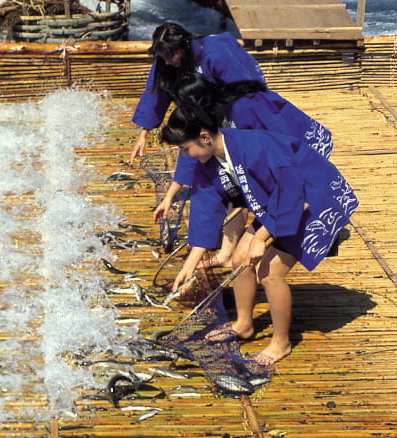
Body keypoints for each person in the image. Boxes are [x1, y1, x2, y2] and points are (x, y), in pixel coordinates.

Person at [161, 104, 358, 366]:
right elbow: (206, 207)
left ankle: (281, 342)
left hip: (313, 198)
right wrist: (190, 264)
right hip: (275, 204)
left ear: (205, 137)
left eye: (186, 149)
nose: (186, 156)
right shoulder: (211, 160)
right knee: (239, 258)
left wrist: (260, 237)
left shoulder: (255, 146)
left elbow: (294, 195)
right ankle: (244, 324)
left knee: (269, 271)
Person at [153, 73, 335, 269]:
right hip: (264, 169)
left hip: (299, 157)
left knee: (277, 213)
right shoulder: (204, 128)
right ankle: (228, 254)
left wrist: (262, 234)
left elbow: (281, 150)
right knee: (232, 191)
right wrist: (169, 196)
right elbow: (193, 164)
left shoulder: (243, 109)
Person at [129, 22, 266, 163]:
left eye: (170, 56)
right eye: (163, 58)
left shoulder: (217, 53)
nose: (167, 62)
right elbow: (155, 94)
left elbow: (243, 90)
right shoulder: (166, 62)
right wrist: (143, 134)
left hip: (233, 104)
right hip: (201, 114)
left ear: (185, 46)